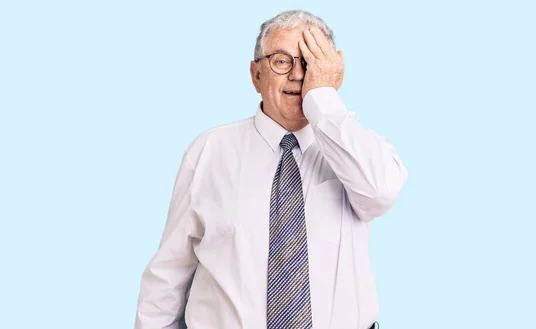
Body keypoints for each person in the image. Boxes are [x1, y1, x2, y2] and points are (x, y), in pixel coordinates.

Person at [134, 9, 408, 329]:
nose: (297, 75)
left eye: (310, 63)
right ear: (256, 75)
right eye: (282, 61)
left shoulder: (356, 149)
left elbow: (380, 194)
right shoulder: (209, 151)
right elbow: (168, 277)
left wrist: (323, 99)